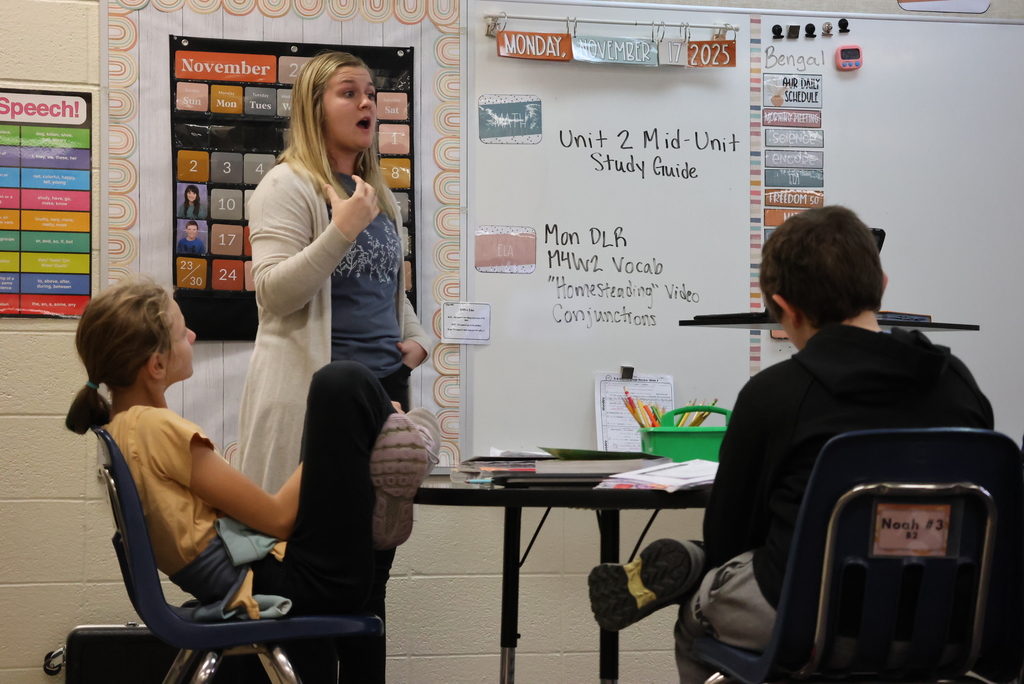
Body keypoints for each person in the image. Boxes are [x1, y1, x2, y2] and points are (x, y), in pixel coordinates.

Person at [586, 206, 994, 683]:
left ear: (786, 308)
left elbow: (732, 538)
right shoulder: (959, 384)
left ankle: (692, 570)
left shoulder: (773, 395)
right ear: (882, 285)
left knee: (702, 608)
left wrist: (716, 558)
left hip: (812, 621)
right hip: (948, 621)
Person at [65, 277, 440, 682]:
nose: (192, 335)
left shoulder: (122, 429)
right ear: (155, 365)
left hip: (274, 579)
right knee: (342, 382)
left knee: (346, 395)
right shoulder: (155, 428)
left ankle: (388, 439)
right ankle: (400, 432)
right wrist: (337, 448)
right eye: (182, 332)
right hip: (290, 584)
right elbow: (279, 517)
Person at [236, 50, 433, 681]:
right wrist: (341, 228)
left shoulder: (380, 198)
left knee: (372, 584)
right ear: (313, 108)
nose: (367, 103)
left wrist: (416, 337)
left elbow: (387, 288)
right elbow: (274, 292)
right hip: (315, 408)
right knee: (319, 590)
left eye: (371, 93)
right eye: (349, 93)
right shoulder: (286, 186)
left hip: (382, 398)